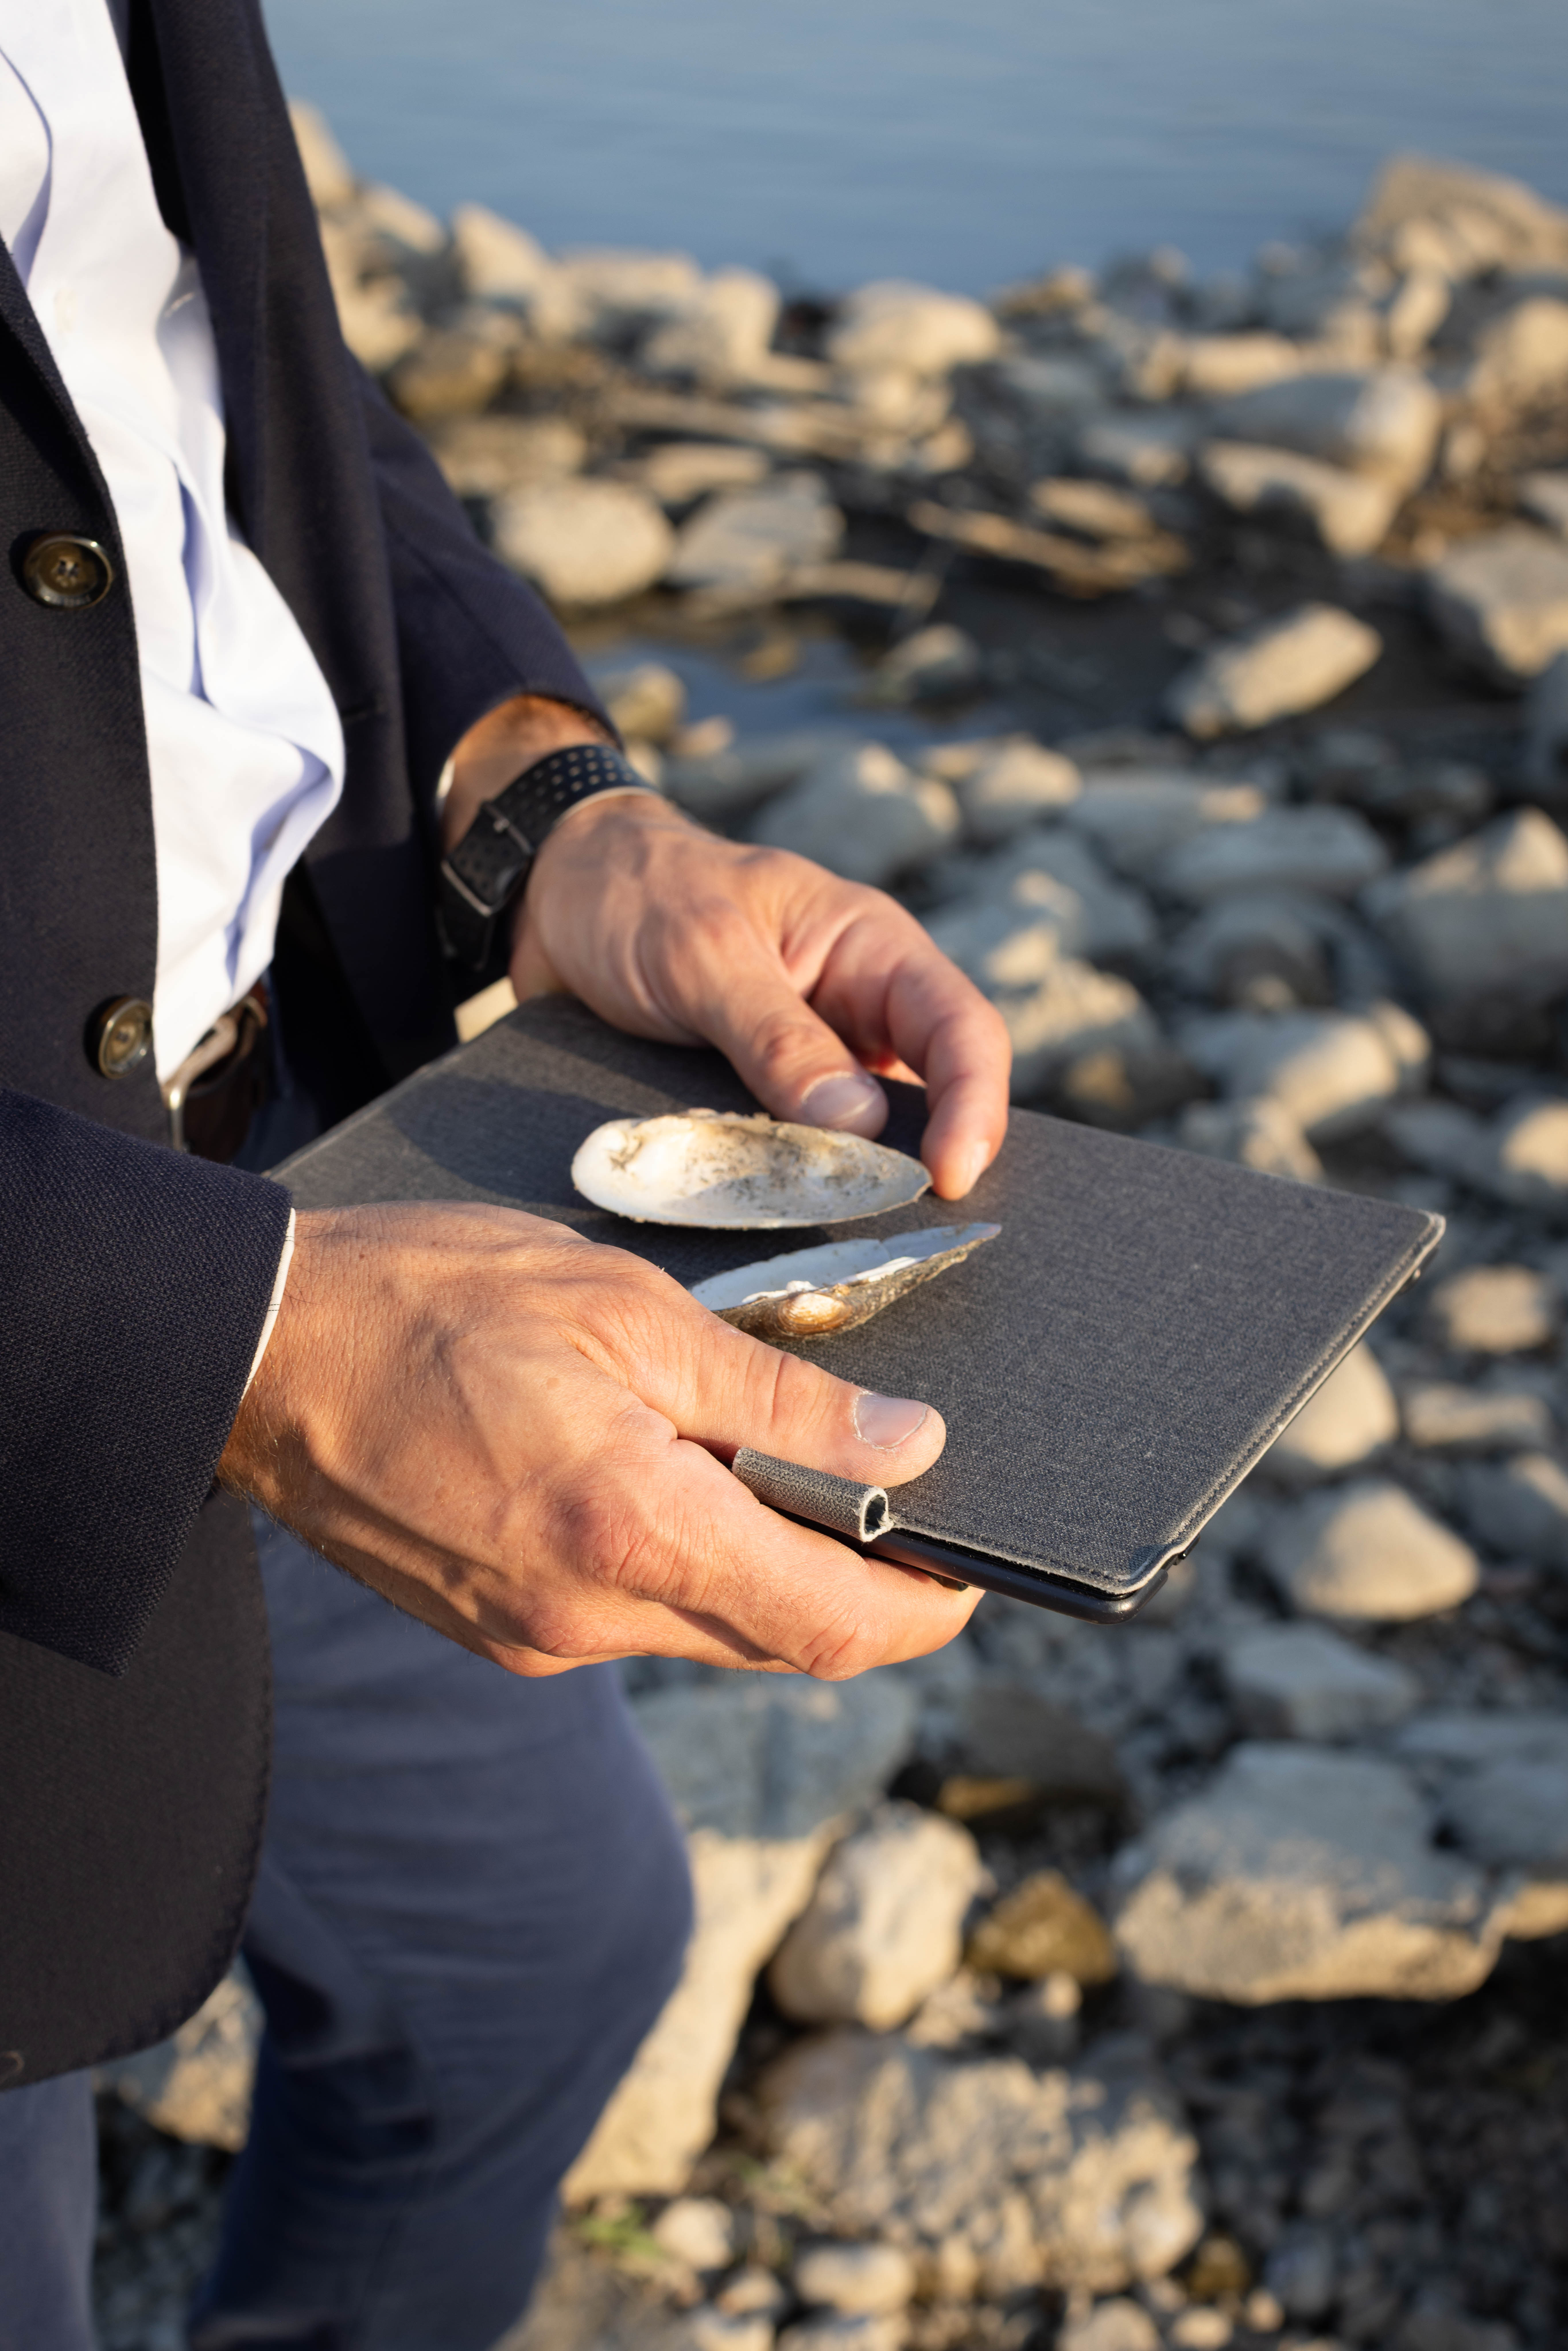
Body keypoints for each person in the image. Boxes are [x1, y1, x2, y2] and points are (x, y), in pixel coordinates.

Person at [0, 1, 1010, 2344]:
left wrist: (538, 801)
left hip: (319, 1168)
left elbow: (183, 341)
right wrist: (227, 1343)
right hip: (109, 1310)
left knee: (532, 1967)